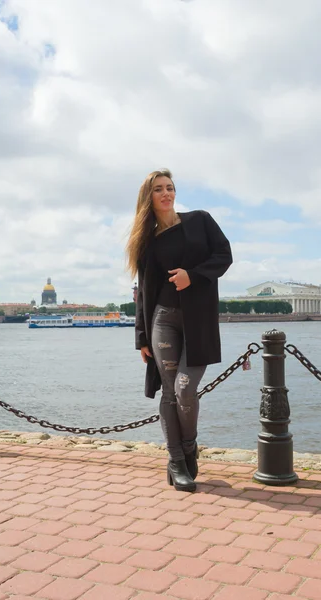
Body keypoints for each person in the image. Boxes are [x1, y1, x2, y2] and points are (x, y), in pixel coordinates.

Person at [126, 169, 233, 492]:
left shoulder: (200, 220)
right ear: (149, 197)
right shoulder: (147, 242)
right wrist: (141, 337)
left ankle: (189, 446)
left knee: (186, 388)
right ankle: (176, 459)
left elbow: (224, 256)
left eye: (170, 187)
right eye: (158, 189)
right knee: (170, 392)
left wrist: (193, 275)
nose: (166, 193)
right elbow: (144, 291)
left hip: (198, 320)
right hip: (163, 321)